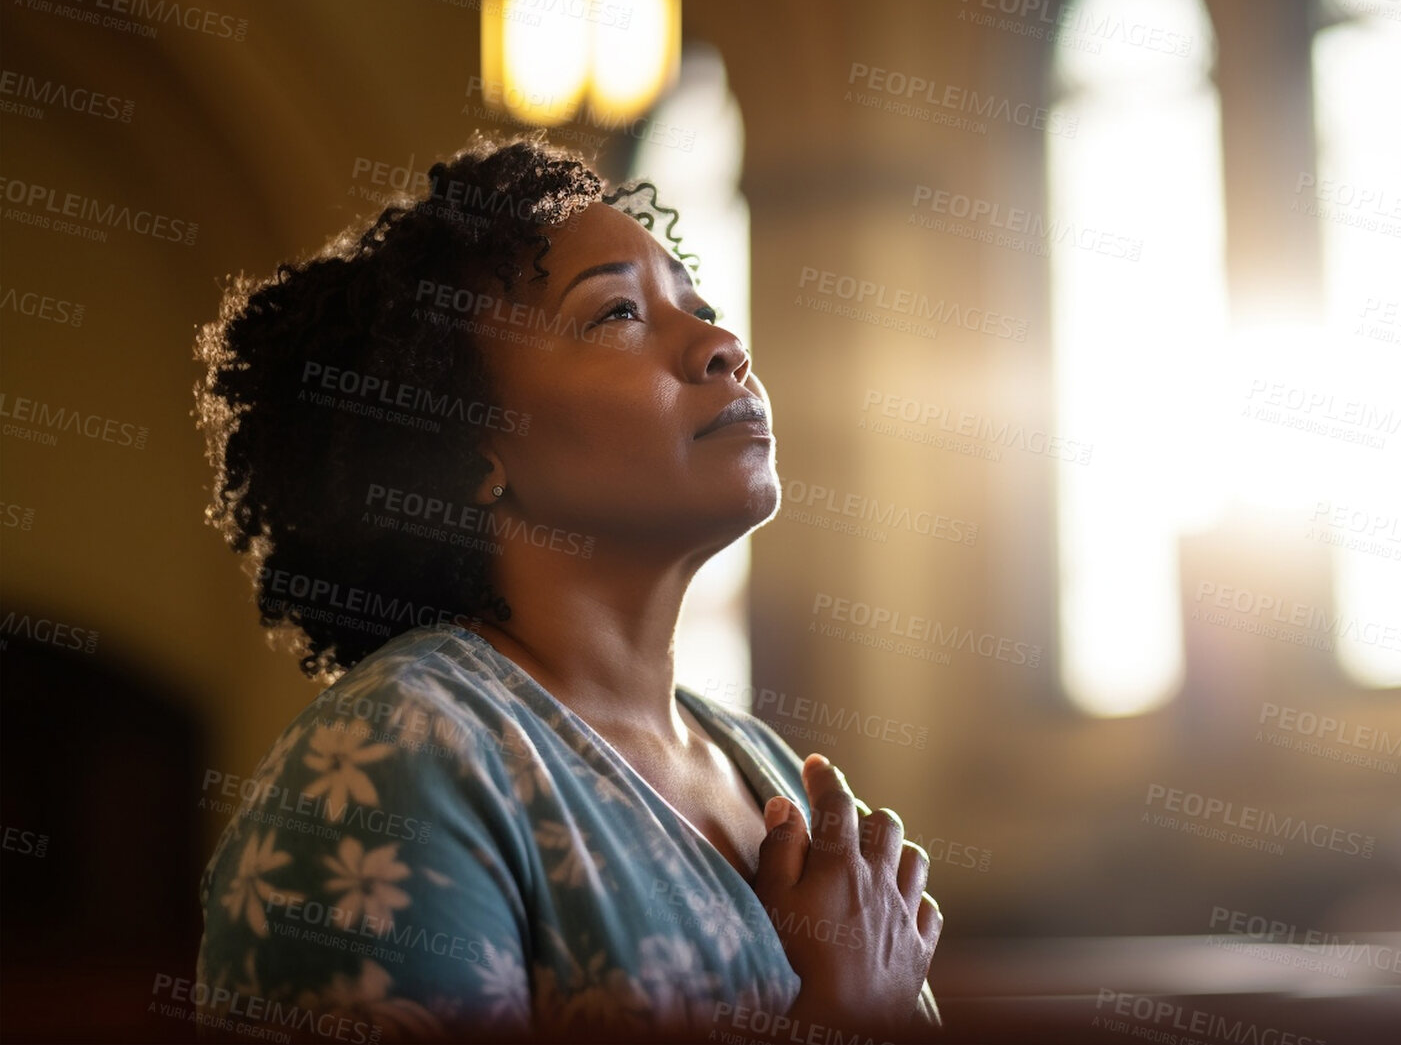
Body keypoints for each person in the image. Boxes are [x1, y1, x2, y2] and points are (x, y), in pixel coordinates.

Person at [190, 130, 942, 1042]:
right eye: (618, 314)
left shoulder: (771, 771)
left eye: (696, 302)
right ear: (471, 448)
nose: (721, 343)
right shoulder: (393, 760)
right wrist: (844, 1020)